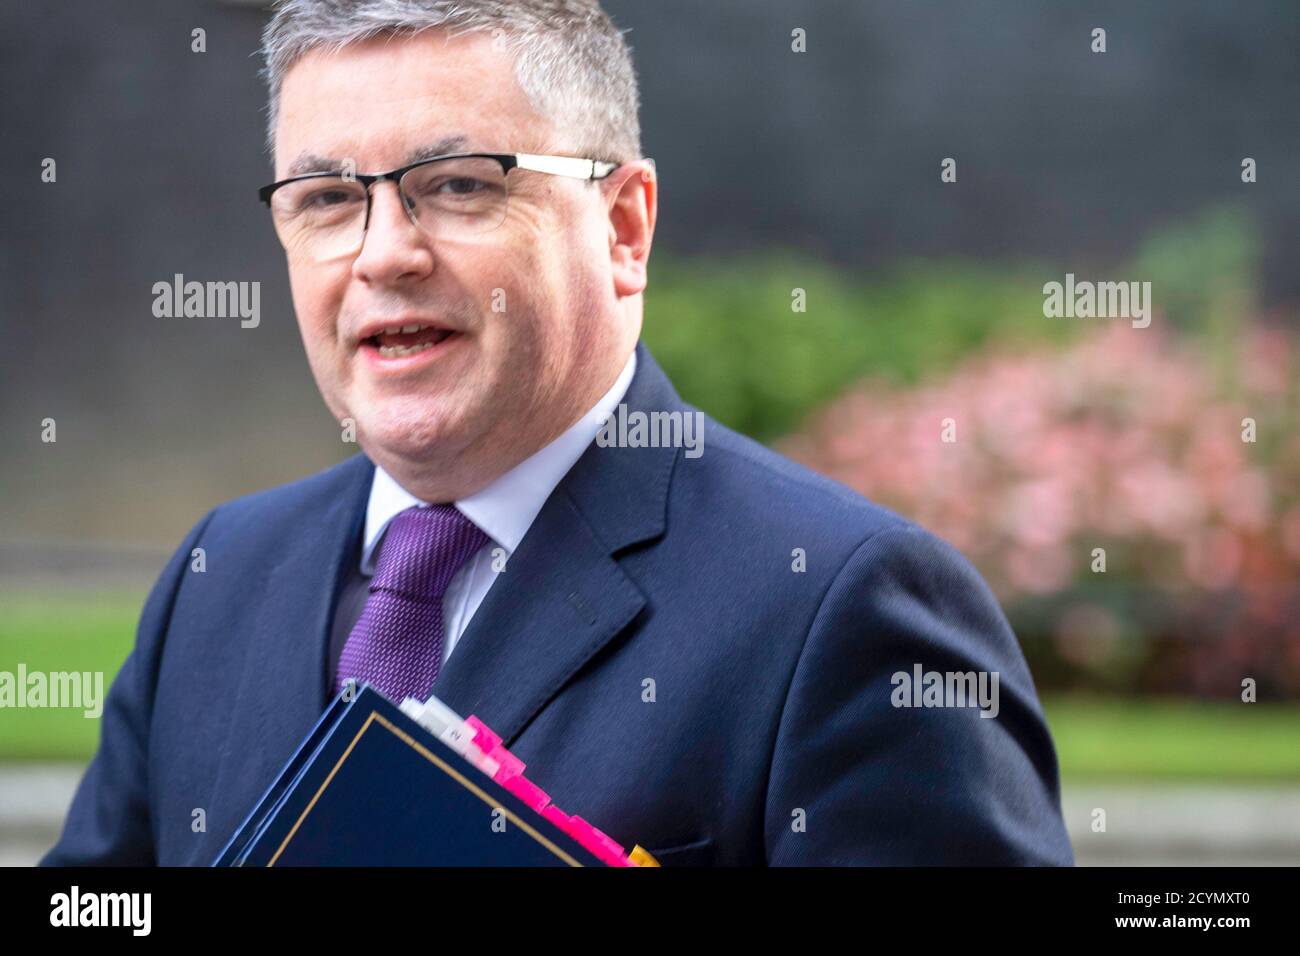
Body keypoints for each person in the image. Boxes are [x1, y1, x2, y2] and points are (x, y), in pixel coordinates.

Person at [42, 0, 1073, 866]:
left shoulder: (848, 610)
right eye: (324, 199)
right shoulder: (217, 573)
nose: (382, 253)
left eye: (457, 185)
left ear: (623, 228)